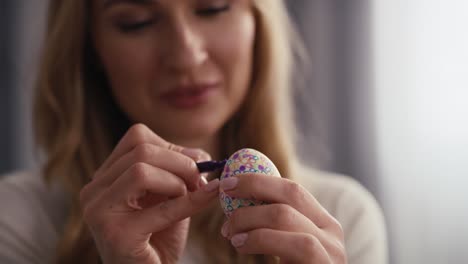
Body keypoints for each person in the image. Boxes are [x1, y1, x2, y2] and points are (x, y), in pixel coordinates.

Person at [0, 0, 387, 263]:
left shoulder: (339, 219)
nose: (187, 55)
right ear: (90, 49)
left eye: (212, 7)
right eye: (137, 21)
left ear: (258, 22)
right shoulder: (19, 219)